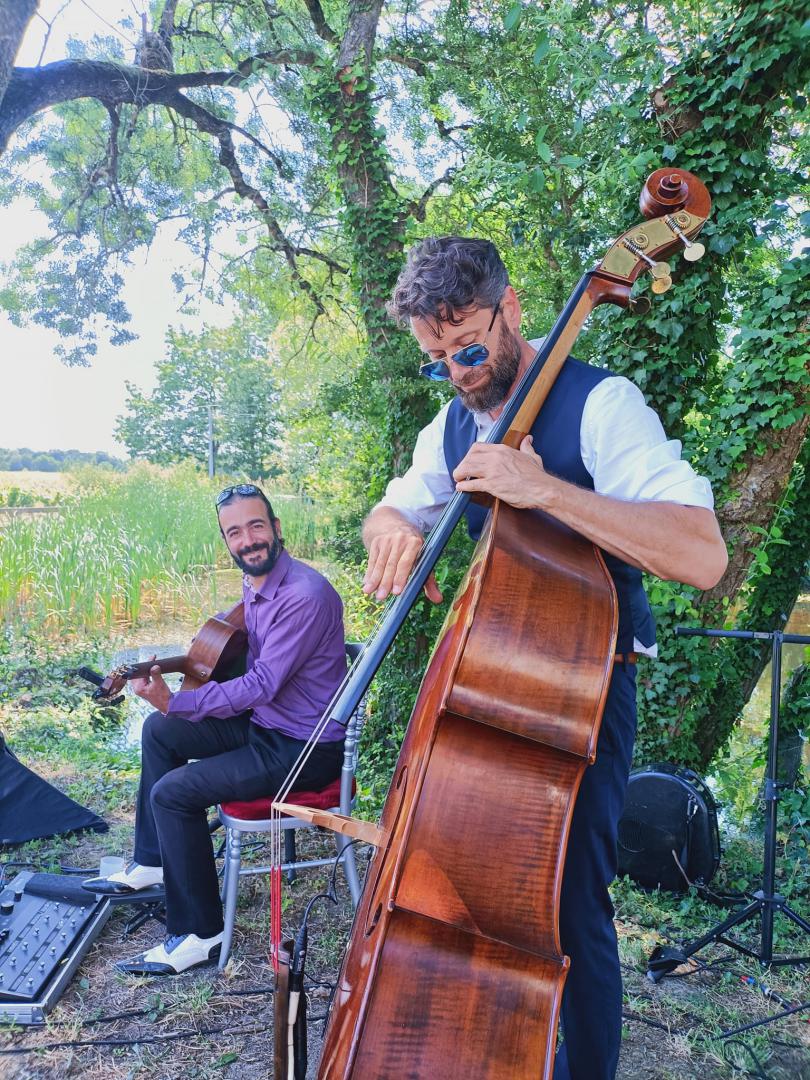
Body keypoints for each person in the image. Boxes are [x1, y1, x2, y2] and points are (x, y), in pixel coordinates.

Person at [361, 237, 728, 1080]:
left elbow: (701, 555)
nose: (456, 372)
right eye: (435, 360)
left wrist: (545, 491)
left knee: (570, 912)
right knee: (482, 898)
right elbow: (392, 509)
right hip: (496, 696)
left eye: (468, 349)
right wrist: (392, 533)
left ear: (513, 308)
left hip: (587, 696)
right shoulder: (451, 423)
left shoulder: (602, 404)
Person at [83, 484, 347, 976]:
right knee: (160, 732)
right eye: (234, 532)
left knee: (172, 794)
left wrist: (180, 700)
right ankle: (155, 861)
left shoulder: (304, 595)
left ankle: (201, 933)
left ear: (276, 528)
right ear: (226, 541)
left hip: (304, 747)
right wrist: (175, 703)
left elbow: (263, 683)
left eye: (256, 526)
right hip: (269, 726)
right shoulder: (258, 584)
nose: (247, 540)